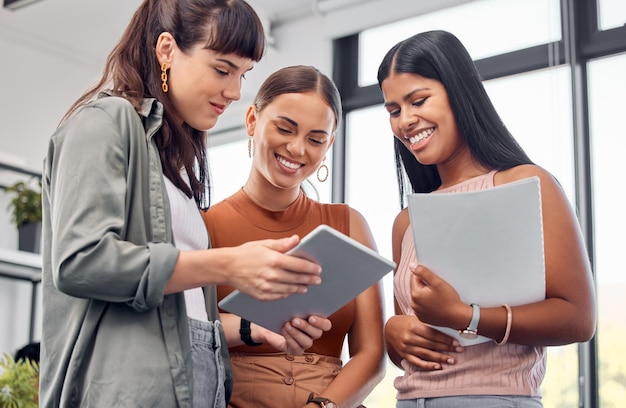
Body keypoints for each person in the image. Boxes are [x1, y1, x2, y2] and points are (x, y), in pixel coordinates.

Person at [39, 2, 332, 407]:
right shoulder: (102, 123)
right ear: (166, 50)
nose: (234, 91)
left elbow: (179, 316)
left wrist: (253, 328)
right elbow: (80, 261)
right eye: (222, 69)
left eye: (242, 74)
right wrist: (229, 264)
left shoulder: (172, 163)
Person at [377, 30, 596, 407]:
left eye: (418, 100)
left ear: (458, 92)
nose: (406, 121)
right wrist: (395, 333)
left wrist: (467, 315)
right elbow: (415, 347)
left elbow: (578, 318)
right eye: (394, 110)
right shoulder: (406, 221)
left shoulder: (528, 183)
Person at [202, 65, 386, 408]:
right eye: (285, 128)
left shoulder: (347, 224)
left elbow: (372, 354)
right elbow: (187, 332)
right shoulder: (205, 226)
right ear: (252, 121)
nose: (298, 149)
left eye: (316, 139)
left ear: (329, 145)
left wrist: (323, 406)